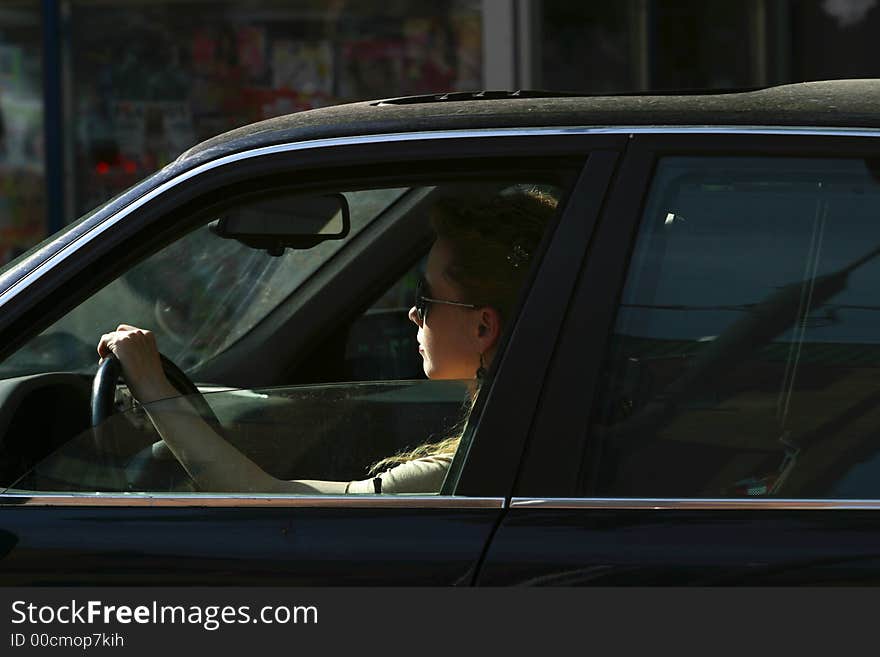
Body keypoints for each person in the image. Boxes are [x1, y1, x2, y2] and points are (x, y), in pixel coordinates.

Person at [96, 188, 556, 494]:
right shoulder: (541, 434)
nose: (413, 313)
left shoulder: (457, 473)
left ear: (483, 328)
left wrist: (152, 387)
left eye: (426, 296)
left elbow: (267, 501)